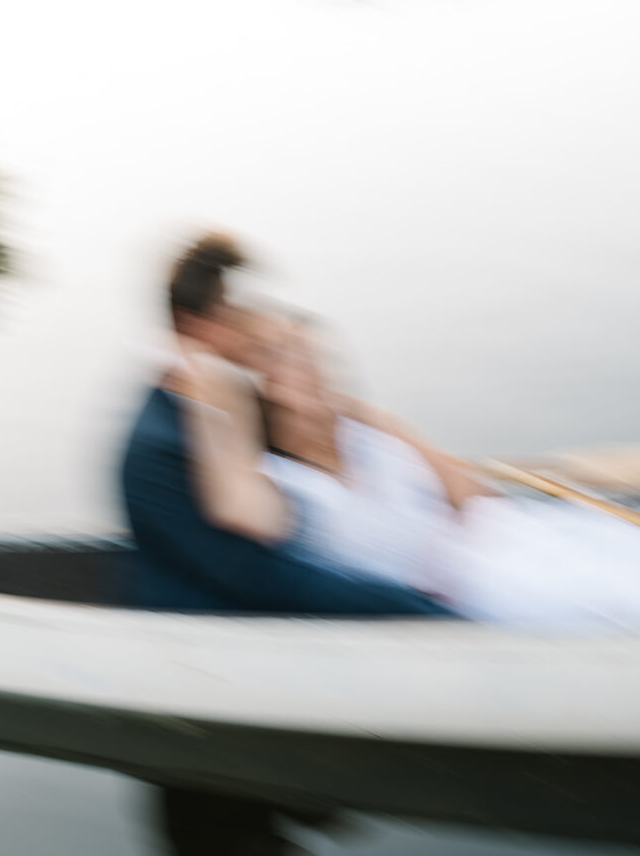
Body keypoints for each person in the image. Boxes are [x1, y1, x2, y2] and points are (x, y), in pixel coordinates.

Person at [179, 314, 640, 631]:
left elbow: (468, 490)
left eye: (313, 354)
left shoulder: (364, 428)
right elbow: (234, 507)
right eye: (292, 358)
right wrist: (213, 402)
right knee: (620, 604)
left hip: (514, 532)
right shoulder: (284, 488)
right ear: (267, 390)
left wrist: (509, 527)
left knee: (628, 548)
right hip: (475, 585)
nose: (317, 368)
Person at [121, 233, 454, 615]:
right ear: (193, 325)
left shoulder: (233, 397)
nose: (256, 322)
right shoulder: (160, 445)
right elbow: (256, 577)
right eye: (237, 313)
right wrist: (421, 610)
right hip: (214, 630)